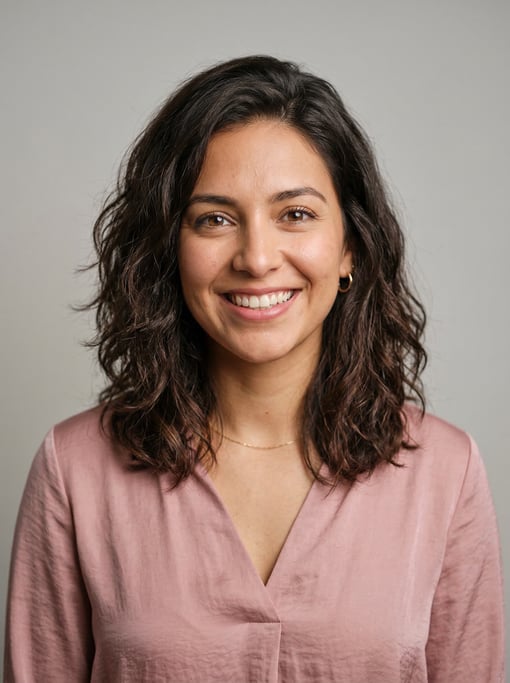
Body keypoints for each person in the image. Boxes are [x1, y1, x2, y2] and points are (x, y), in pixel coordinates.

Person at [4, 55, 505, 682]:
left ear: (350, 245)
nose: (258, 258)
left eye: (295, 213)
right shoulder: (74, 469)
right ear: (170, 248)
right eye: (214, 219)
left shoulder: (446, 473)